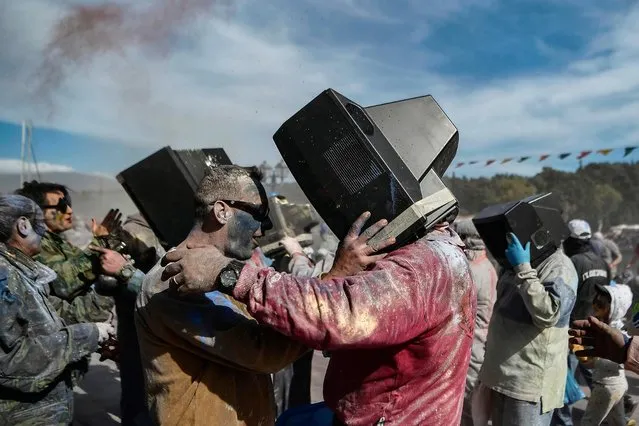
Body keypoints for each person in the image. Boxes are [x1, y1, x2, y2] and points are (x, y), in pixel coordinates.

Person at [160, 193, 476, 423]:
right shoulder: (436, 258)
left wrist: (229, 273)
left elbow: (336, 314)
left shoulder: (425, 266)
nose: (260, 230)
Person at [135, 166, 309, 426]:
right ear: (221, 211)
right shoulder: (173, 280)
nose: (261, 230)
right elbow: (265, 352)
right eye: (258, 214)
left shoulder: (221, 273)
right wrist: (327, 308)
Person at [0, 195, 114, 425]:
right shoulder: (4, 278)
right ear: (23, 226)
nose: (44, 232)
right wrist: (84, 336)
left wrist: (103, 294)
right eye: (39, 224)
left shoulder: (20, 273)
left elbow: (62, 314)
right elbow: (11, 362)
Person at [477, 233, 578, 426]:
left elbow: (548, 314)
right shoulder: (510, 265)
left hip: (528, 385)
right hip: (501, 377)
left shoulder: (559, 266)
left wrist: (523, 269)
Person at [14, 181, 124, 324]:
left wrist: (106, 242)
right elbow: (62, 282)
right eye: (60, 206)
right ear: (37, 212)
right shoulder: (33, 244)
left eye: (68, 203)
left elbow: (80, 264)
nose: (69, 210)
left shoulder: (57, 241)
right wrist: (100, 243)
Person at [452, 219, 498, 426]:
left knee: (467, 405)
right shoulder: (487, 265)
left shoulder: (469, 269)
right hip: (482, 342)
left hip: (471, 345)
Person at [579, 282, 632, 426]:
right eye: (595, 301)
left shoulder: (617, 332)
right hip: (617, 384)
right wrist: (584, 357)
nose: (595, 306)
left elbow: (607, 361)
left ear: (614, 308)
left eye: (601, 304)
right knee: (618, 422)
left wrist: (588, 359)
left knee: (588, 422)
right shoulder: (608, 327)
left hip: (606, 386)